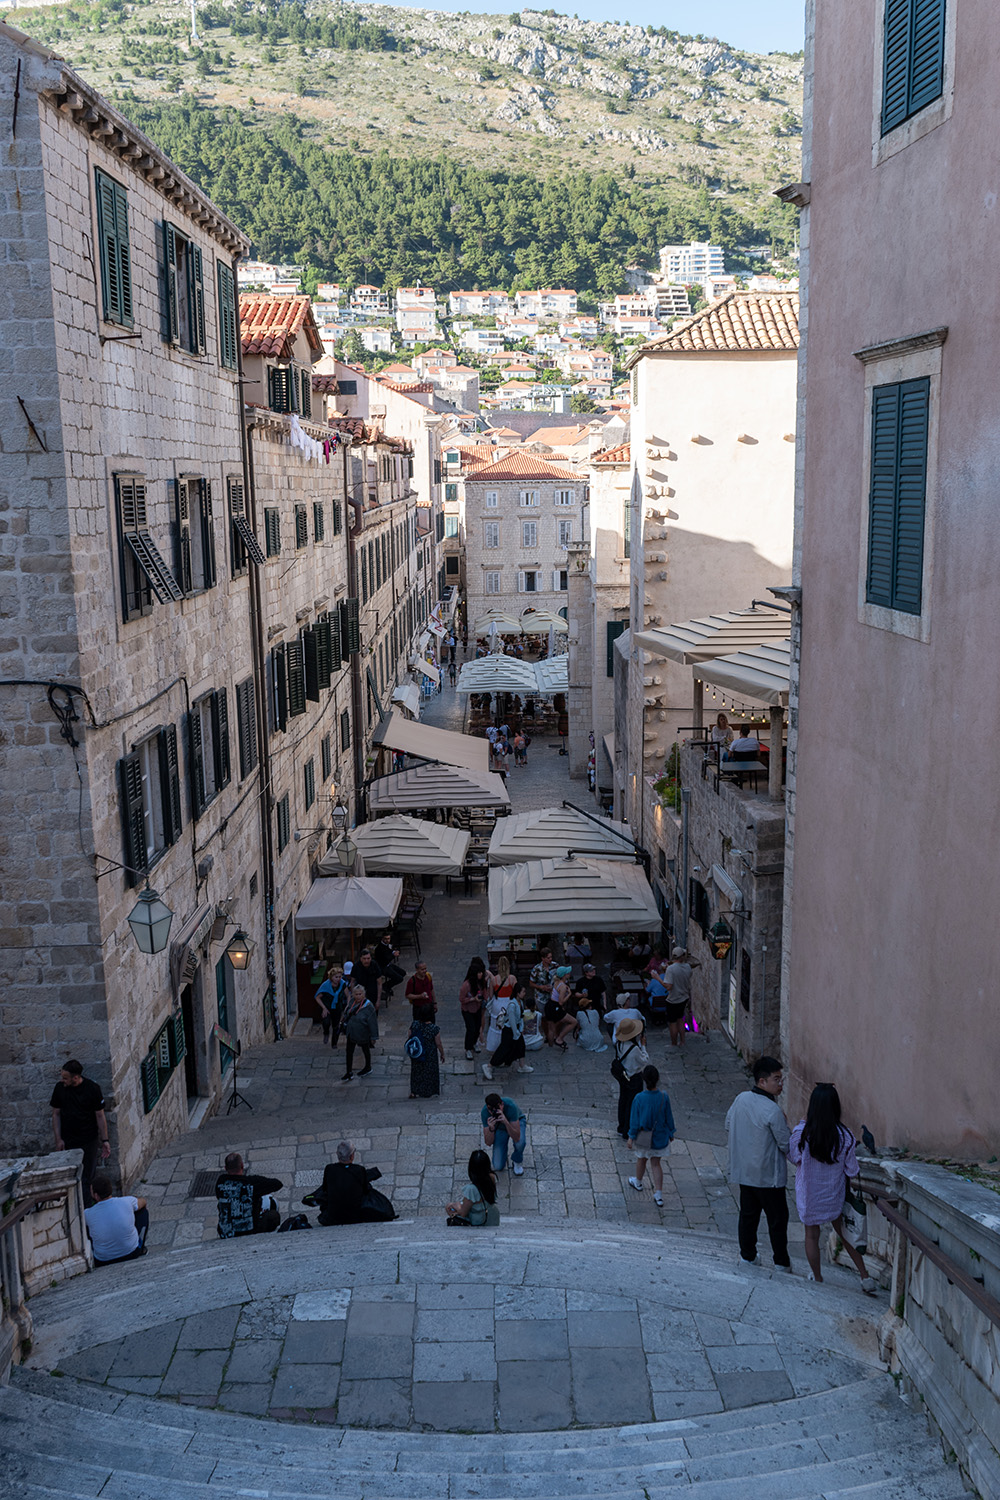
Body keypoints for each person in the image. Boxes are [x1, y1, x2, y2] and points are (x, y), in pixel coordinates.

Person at [789, 1084, 878, 1293]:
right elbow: (851, 1169)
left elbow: (793, 1156)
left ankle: (817, 1277)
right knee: (846, 1234)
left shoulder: (802, 1133)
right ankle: (865, 1276)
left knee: (811, 1235)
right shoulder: (845, 1135)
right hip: (834, 1195)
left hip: (809, 1196)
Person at [726, 1055, 792, 1271]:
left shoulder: (740, 1099)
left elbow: (728, 1123)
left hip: (745, 1172)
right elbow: (785, 1143)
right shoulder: (772, 1111)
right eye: (776, 1079)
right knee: (777, 1220)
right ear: (762, 1081)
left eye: (781, 1079)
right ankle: (781, 1262)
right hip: (768, 1176)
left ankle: (748, 1256)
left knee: (748, 1216)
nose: (780, 1083)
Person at [50, 1059, 110, 1205]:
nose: (62, 1080)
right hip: (69, 1139)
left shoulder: (92, 1089)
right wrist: (58, 1139)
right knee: (70, 1176)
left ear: (75, 1077)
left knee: (87, 1177)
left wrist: (105, 1140)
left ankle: (87, 1208)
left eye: (65, 1078)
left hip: (88, 1139)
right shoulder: (60, 1089)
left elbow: (100, 1116)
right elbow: (56, 1114)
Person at [309, 1141, 395, 1225]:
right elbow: (365, 1190)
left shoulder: (329, 1169)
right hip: (355, 1217)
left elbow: (325, 1188)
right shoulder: (359, 1170)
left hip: (334, 1217)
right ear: (352, 1156)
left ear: (337, 1155)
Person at [627, 1066, 676, 1208]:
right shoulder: (664, 1097)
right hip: (660, 1137)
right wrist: (671, 1132)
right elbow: (669, 1117)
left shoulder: (639, 1098)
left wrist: (631, 1137)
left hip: (643, 1137)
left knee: (641, 1160)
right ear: (658, 1079)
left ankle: (638, 1181)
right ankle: (659, 1194)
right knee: (656, 1164)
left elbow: (634, 1121)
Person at [85, 1175, 149, 1265]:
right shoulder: (127, 1201)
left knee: (87, 1226)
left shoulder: (87, 1214)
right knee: (142, 1212)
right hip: (131, 1253)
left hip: (103, 1260)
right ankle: (140, 1247)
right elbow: (143, 1202)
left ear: (96, 1195)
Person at [215, 1152, 282, 1237]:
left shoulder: (220, 1182)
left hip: (225, 1231)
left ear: (226, 1168)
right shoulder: (251, 1183)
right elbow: (278, 1184)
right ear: (242, 1166)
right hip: (249, 1231)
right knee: (273, 1216)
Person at [612, 1017, 649, 1139]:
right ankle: (628, 1130)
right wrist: (643, 1046)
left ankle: (621, 1126)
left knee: (623, 1100)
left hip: (623, 1077)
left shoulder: (619, 1044)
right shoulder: (634, 1049)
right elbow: (644, 1061)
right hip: (634, 1078)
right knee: (632, 1104)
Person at [446, 1149, 500, 1226]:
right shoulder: (492, 1177)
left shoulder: (471, 1189)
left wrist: (456, 1205)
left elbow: (463, 1213)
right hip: (492, 1216)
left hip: (479, 1220)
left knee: (449, 1207)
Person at [482, 1092, 528, 1175]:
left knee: (520, 1142)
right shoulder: (485, 1113)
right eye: (490, 1109)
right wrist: (491, 1129)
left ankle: (517, 1160)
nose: (493, 1112)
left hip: (515, 1122)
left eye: (496, 1108)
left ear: (502, 1104)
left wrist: (506, 1122)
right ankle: (502, 1154)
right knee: (498, 1166)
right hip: (499, 1128)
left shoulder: (511, 1106)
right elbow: (488, 1143)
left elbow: (516, 1137)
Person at [664, 946, 700, 1048]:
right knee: (680, 1019)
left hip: (673, 999)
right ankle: (683, 1041)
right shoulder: (688, 967)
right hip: (684, 998)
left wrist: (658, 978)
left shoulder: (670, 969)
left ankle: (674, 1043)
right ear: (682, 956)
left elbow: (669, 986)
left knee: (673, 1022)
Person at [342, 984, 378, 1081]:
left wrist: (374, 1037)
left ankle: (368, 1067)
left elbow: (373, 1022)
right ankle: (349, 1071)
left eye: (360, 994)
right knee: (349, 1052)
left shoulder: (368, 1006)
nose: (358, 996)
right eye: (356, 994)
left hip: (363, 1033)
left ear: (364, 994)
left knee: (365, 1050)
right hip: (351, 1032)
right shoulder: (352, 1002)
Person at [408, 1004, 445, 1098]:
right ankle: (429, 1091)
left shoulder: (414, 1024)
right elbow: (438, 1043)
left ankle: (414, 1091)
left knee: (416, 1072)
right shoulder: (434, 1029)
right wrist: (442, 1053)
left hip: (417, 1052)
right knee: (429, 1073)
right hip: (430, 1054)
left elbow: (409, 1036)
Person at [459, 957, 488, 1060]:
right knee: (471, 1029)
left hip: (477, 1008)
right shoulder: (466, 985)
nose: (481, 974)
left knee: (477, 1027)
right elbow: (461, 999)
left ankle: (474, 1043)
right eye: (479, 973)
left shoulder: (481, 983)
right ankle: (468, 1048)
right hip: (467, 1010)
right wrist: (473, 999)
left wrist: (485, 999)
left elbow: (484, 992)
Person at [315, 963, 350, 1047]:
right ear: (331, 977)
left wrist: (348, 1005)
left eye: (340, 977)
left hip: (337, 1007)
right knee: (326, 1022)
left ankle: (334, 1043)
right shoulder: (325, 985)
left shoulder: (342, 984)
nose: (338, 979)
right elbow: (317, 997)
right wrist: (324, 1008)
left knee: (336, 1025)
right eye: (336, 977)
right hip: (327, 1007)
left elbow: (348, 995)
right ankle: (326, 1033)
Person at [542, 968, 576, 1049]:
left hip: (550, 1004)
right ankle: (559, 1039)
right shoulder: (563, 986)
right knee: (573, 1022)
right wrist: (569, 994)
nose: (569, 973)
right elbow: (561, 1002)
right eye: (568, 973)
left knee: (551, 1028)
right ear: (565, 975)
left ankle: (551, 1046)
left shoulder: (556, 982)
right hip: (555, 1006)